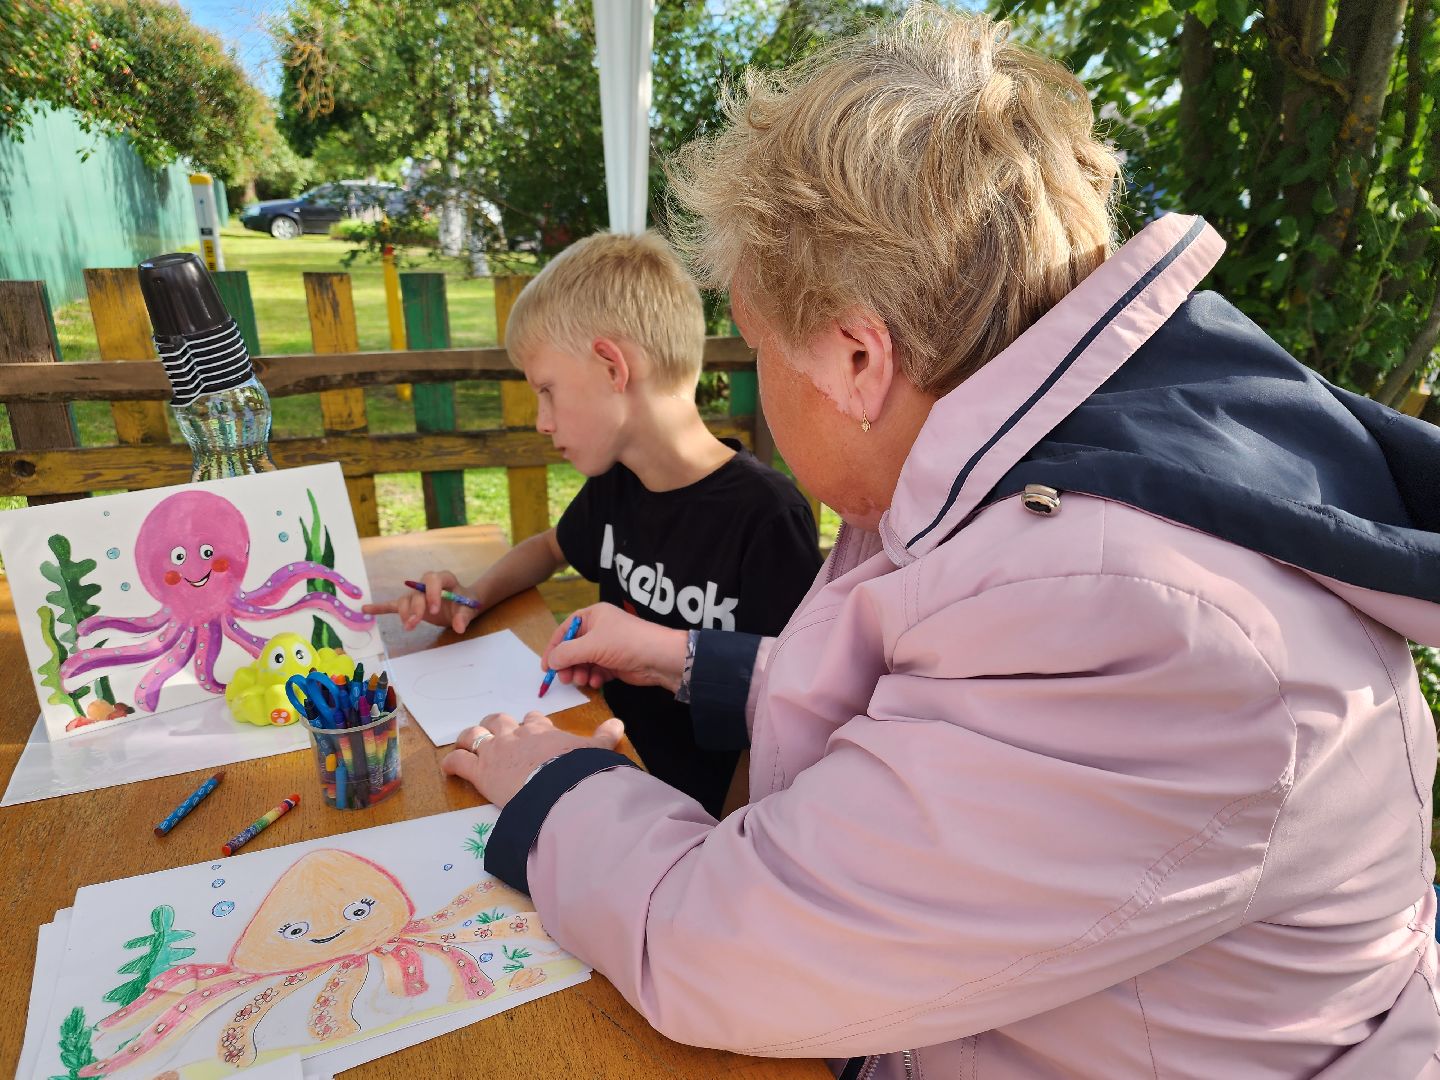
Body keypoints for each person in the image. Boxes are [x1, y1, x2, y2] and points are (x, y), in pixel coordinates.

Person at [439, 8, 1440, 1078]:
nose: (757, 388)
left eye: (759, 346)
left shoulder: (1142, 621)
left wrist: (547, 784)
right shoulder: (1047, 490)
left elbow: (733, 945)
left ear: (857, 358)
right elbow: (960, 726)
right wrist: (689, 659)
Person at [367, 230, 820, 816]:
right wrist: (472, 597)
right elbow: (550, 545)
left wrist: (724, 837)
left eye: (547, 391)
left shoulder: (765, 515)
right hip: (606, 753)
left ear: (612, 367)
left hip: (699, 812)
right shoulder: (619, 482)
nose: (540, 421)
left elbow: (790, 699)